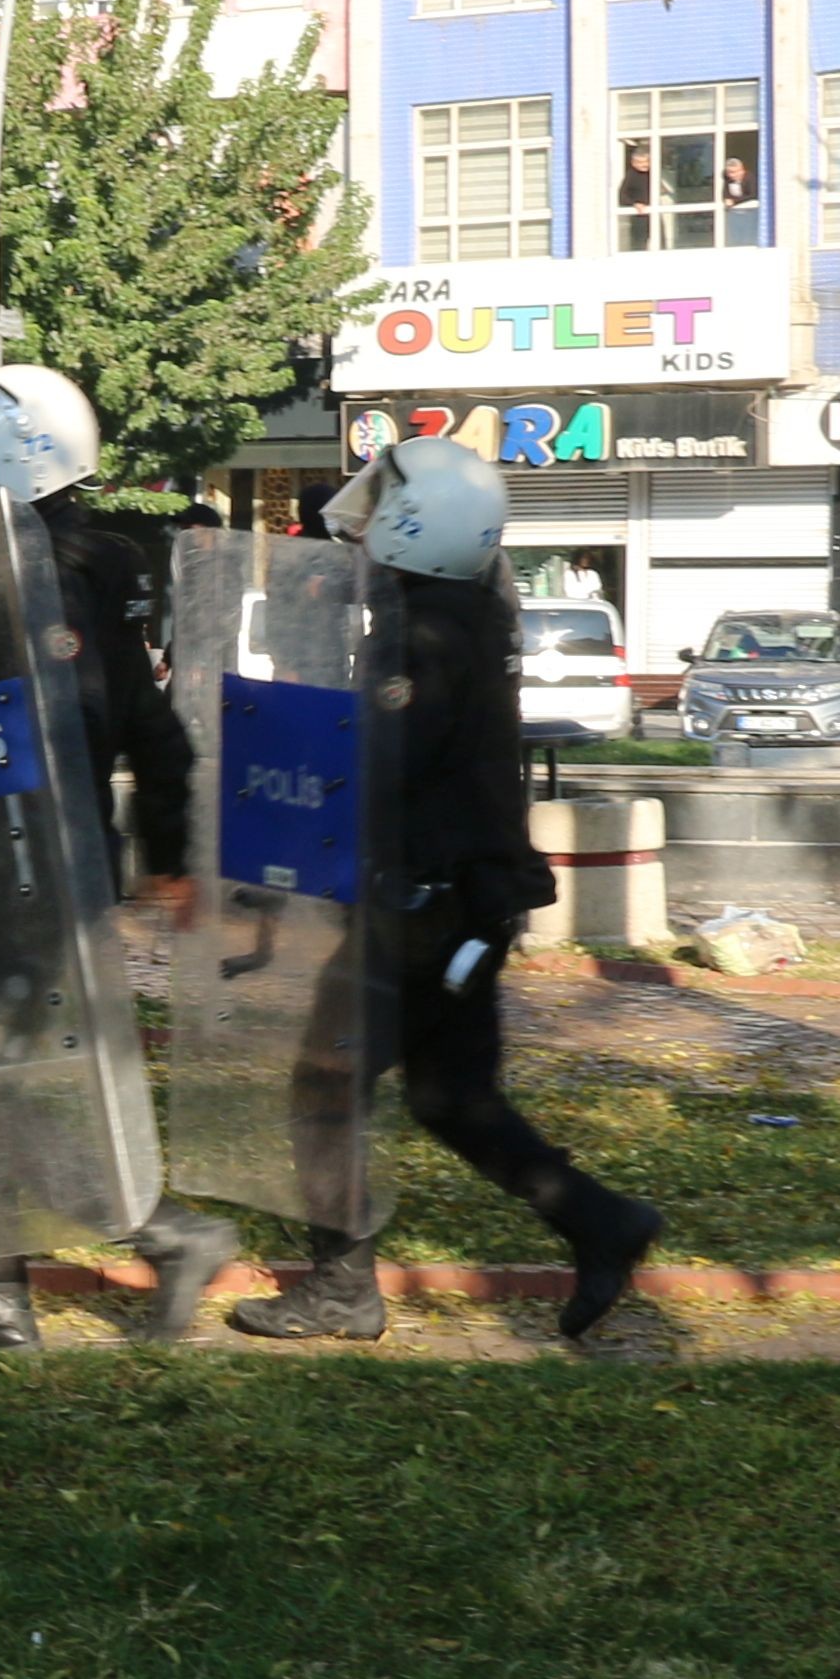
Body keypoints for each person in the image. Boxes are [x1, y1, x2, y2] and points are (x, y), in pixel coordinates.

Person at [229, 437, 666, 1345]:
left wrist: (289, 766)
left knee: (323, 1084)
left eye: (382, 510)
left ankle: (341, 1290)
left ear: (415, 526)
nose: (364, 527)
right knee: (450, 1099)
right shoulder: (468, 614)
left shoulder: (421, 633)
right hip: (463, 905)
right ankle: (602, 1224)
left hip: (421, 912)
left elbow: (384, 761)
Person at [0, 368, 239, 1350]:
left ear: (23, 459)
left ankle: (152, 1238)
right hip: (40, 869)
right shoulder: (85, 564)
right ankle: (3, 1297)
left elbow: (51, 727)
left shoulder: (39, 576)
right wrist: (165, 856)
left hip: (17, 872)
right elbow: (154, 731)